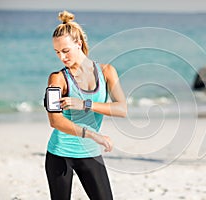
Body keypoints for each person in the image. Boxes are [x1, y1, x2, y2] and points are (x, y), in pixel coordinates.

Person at [45, 10, 127, 199]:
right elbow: (55, 121)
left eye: (65, 51)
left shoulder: (107, 72)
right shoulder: (57, 79)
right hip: (60, 154)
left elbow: (122, 109)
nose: (62, 57)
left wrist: (85, 104)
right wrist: (92, 135)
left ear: (79, 44)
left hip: (89, 153)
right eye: (57, 52)